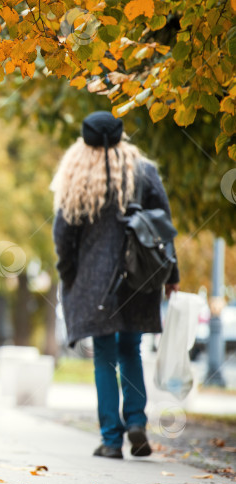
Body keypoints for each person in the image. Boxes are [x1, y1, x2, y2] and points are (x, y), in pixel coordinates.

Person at [51, 111, 180, 459]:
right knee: (131, 348)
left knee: (104, 356)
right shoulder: (143, 171)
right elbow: (163, 228)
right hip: (140, 276)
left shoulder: (77, 177)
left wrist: (69, 274)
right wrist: (173, 275)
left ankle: (111, 440)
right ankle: (136, 421)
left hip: (95, 283)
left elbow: (63, 237)